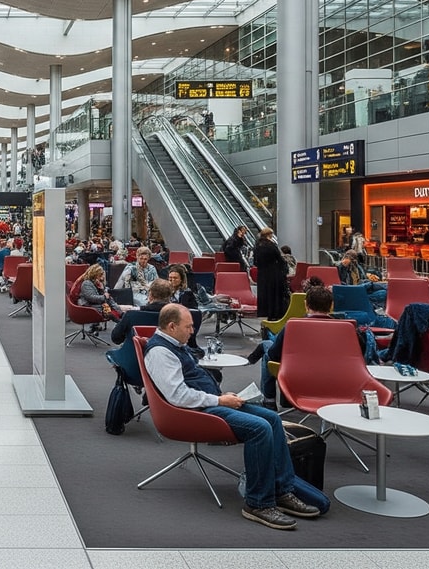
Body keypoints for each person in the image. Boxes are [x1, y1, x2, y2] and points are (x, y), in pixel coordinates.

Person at [144, 304, 321, 530]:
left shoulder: (174, 345)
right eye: (188, 327)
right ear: (171, 326)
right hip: (194, 413)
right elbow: (178, 396)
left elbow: (188, 386)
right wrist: (218, 400)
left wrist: (221, 396)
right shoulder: (161, 352)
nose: (192, 331)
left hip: (207, 404)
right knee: (259, 428)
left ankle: (281, 491)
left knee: (272, 419)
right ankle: (258, 503)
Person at [255, 281, 369, 400]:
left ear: (306, 305)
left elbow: (275, 355)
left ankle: (269, 400)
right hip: (336, 376)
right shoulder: (347, 328)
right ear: (331, 306)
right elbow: (360, 354)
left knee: (267, 353)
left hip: (299, 375)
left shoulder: (293, 326)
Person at [250, 227, 287, 318]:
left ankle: (263, 312)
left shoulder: (257, 246)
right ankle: (274, 313)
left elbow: (255, 262)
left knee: (264, 293)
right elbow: (279, 258)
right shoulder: (271, 245)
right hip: (273, 273)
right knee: (273, 294)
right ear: (268, 235)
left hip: (262, 274)